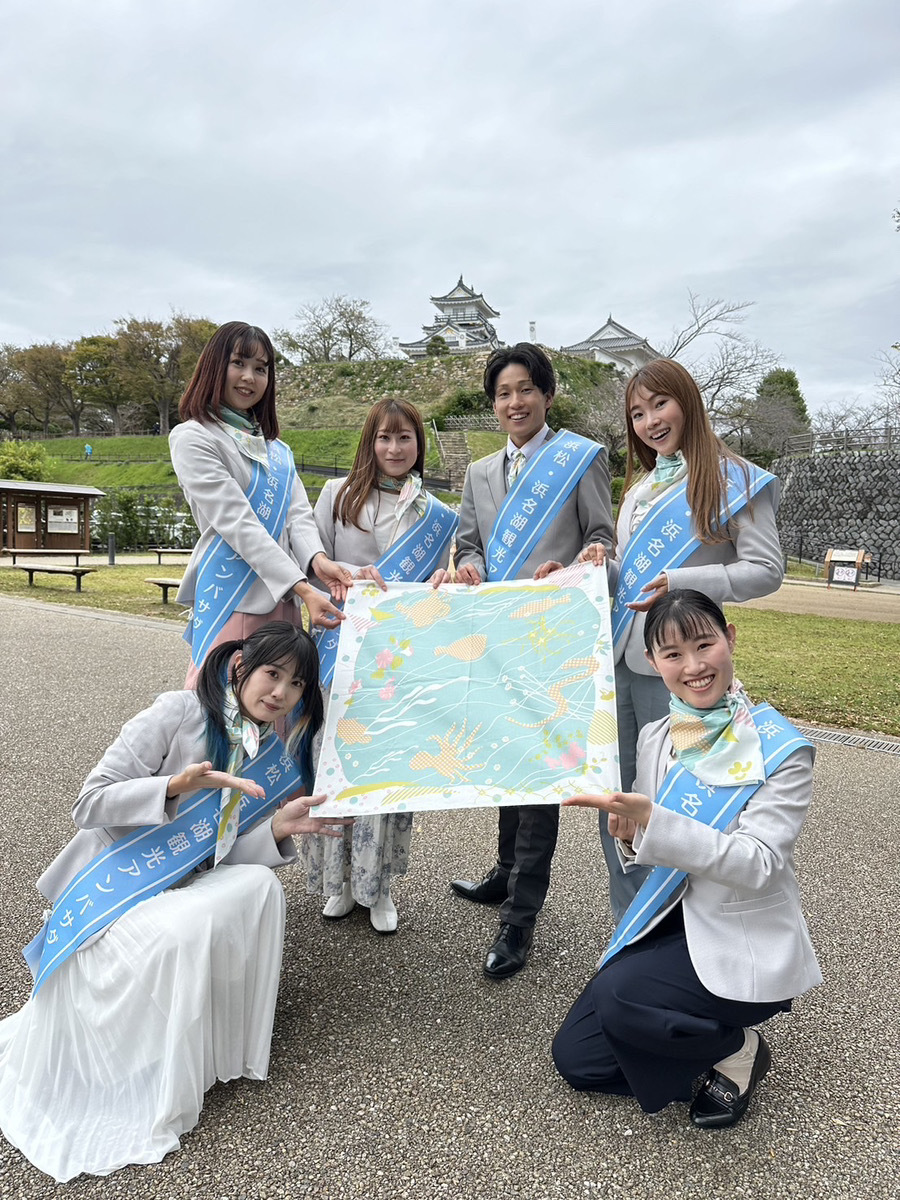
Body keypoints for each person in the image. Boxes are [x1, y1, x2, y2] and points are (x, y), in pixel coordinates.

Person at [0, 621, 348, 1182]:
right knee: (186, 925)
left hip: (175, 882)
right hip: (116, 885)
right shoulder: (179, 711)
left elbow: (219, 856)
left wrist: (279, 830)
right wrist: (172, 788)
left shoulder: (265, 750)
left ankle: (205, 1052)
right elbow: (89, 802)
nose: (280, 692)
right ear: (241, 667)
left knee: (261, 885)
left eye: (296, 685)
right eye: (272, 673)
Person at [552, 589, 821, 1129]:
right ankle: (707, 1042)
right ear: (653, 663)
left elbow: (760, 862)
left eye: (705, 644)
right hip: (668, 921)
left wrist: (654, 821)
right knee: (577, 1059)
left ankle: (736, 1047)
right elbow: (651, 849)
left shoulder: (781, 750)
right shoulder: (656, 736)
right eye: (673, 654)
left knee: (618, 994)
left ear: (730, 640)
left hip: (737, 937)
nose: (694, 666)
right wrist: (630, 836)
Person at [431, 343, 614, 979]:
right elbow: (468, 542)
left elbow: (601, 535)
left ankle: (520, 921)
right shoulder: (480, 472)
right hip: (498, 642)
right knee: (506, 760)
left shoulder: (579, 459)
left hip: (553, 643)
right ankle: (504, 872)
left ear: (548, 395)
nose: (514, 403)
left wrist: (583, 561)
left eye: (525, 390)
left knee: (539, 779)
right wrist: (471, 566)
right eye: (503, 393)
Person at [583, 358, 784, 921]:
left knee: (676, 799)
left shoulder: (734, 477)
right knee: (616, 802)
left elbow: (766, 570)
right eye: (638, 413)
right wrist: (598, 563)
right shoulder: (642, 486)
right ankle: (630, 923)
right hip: (621, 658)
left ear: (687, 401)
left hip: (679, 670)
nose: (650, 421)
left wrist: (683, 580)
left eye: (660, 404)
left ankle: (680, 927)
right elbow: (634, 577)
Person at [302, 399, 457, 934]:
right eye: (384, 438)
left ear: (419, 444)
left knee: (390, 764)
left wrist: (444, 581)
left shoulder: (435, 513)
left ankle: (381, 884)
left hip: (400, 661)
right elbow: (312, 565)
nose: (394, 449)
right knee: (336, 761)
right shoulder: (336, 495)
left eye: (405, 439)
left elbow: (438, 583)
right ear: (370, 441)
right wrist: (347, 575)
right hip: (339, 652)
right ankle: (338, 880)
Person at [169, 321, 352, 684]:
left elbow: (297, 515)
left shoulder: (277, 449)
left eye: (261, 368)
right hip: (234, 596)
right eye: (238, 363)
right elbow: (238, 524)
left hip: (284, 601)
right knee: (226, 710)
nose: (249, 377)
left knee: (279, 711)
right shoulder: (193, 437)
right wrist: (302, 587)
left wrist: (319, 562)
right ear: (214, 366)